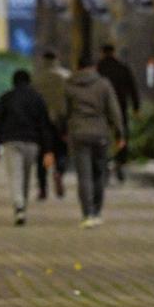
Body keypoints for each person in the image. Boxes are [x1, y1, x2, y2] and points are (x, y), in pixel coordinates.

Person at [61, 53, 127, 227]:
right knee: (99, 173)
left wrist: (63, 132)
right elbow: (114, 111)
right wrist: (120, 134)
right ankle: (97, 211)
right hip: (100, 133)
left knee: (84, 176)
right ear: (94, 67)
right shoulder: (103, 84)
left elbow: (63, 112)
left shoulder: (68, 85)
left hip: (78, 133)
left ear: (77, 67)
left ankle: (87, 213)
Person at [0, 70, 57, 225]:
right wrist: (48, 150)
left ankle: (19, 206)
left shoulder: (6, 98)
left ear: (13, 82)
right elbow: (44, 125)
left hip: (11, 141)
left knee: (15, 175)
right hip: (32, 142)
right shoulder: (37, 98)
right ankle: (22, 206)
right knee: (26, 175)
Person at [96, 44, 140, 181]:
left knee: (103, 137)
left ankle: (105, 164)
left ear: (102, 52)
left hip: (102, 110)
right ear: (114, 53)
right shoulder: (123, 68)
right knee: (121, 136)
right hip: (121, 108)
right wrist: (136, 107)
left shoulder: (98, 69)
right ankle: (120, 163)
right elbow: (133, 89)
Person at [30, 50, 70, 200]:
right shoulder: (66, 77)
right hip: (61, 121)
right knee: (62, 151)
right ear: (56, 59)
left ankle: (42, 189)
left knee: (42, 154)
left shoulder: (35, 78)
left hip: (41, 122)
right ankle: (59, 171)